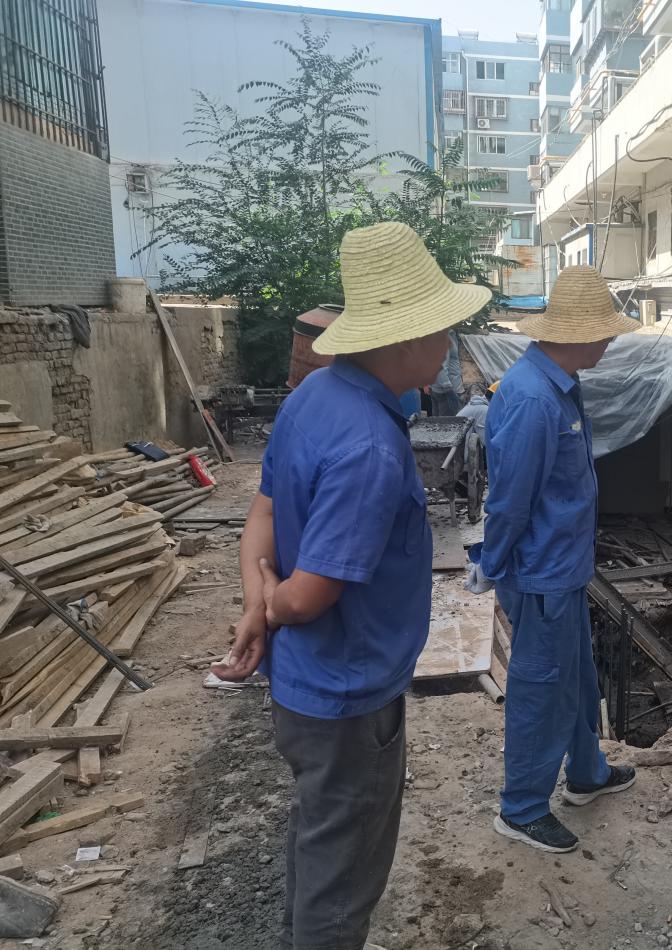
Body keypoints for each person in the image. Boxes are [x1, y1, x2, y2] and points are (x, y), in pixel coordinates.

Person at [212, 222, 491, 950]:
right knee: (345, 876)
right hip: (346, 695)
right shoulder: (369, 445)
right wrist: (274, 603)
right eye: (443, 330)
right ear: (404, 340)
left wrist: (256, 603)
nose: (450, 344)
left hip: (307, 683)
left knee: (322, 837)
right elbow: (308, 595)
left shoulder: (314, 396)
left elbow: (263, 513)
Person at [474, 266, 641, 853]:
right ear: (582, 334)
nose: (611, 341)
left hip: (562, 567)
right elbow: (510, 500)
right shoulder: (532, 399)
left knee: (576, 676)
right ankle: (521, 808)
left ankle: (587, 773)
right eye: (607, 332)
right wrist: (492, 562)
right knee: (542, 687)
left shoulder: (558, 386)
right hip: (540, 572)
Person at [428, 330, 464, 416]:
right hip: (446, 390)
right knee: (447, 422)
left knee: (438, 422)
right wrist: (449, 390)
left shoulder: (448, 334)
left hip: (438, 388)